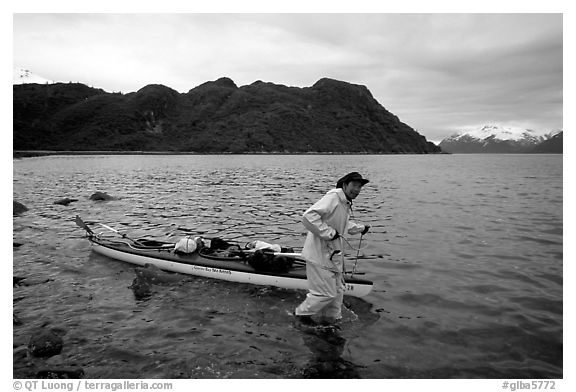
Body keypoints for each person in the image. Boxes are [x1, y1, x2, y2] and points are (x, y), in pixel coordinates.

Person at [294, 172, 370, 325]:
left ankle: (331, 322)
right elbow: (308, 216)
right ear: (344, 185)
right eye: (354, 185)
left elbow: (343, 224)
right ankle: (300, 316)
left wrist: (361, 228)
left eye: (360, 187)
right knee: (326, 294)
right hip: (320, 255)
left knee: (338, 292)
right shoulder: (334, 198)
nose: (357, 189)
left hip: (333, 255)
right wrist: (329, 233)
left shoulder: (345, 202)